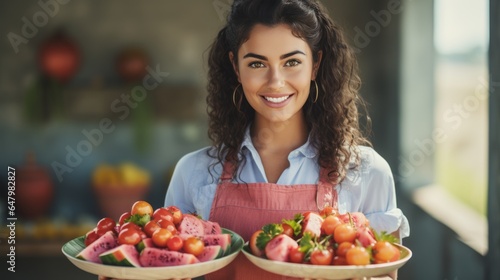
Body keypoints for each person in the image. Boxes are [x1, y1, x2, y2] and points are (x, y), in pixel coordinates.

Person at [102, 0, 409, 279]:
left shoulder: (366, 172)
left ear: (315, 64)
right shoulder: (193, 172)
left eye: (292, 62)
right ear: (236, 67)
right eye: (257, 64)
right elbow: (168, 265)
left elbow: (384, 269)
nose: (275, 82)